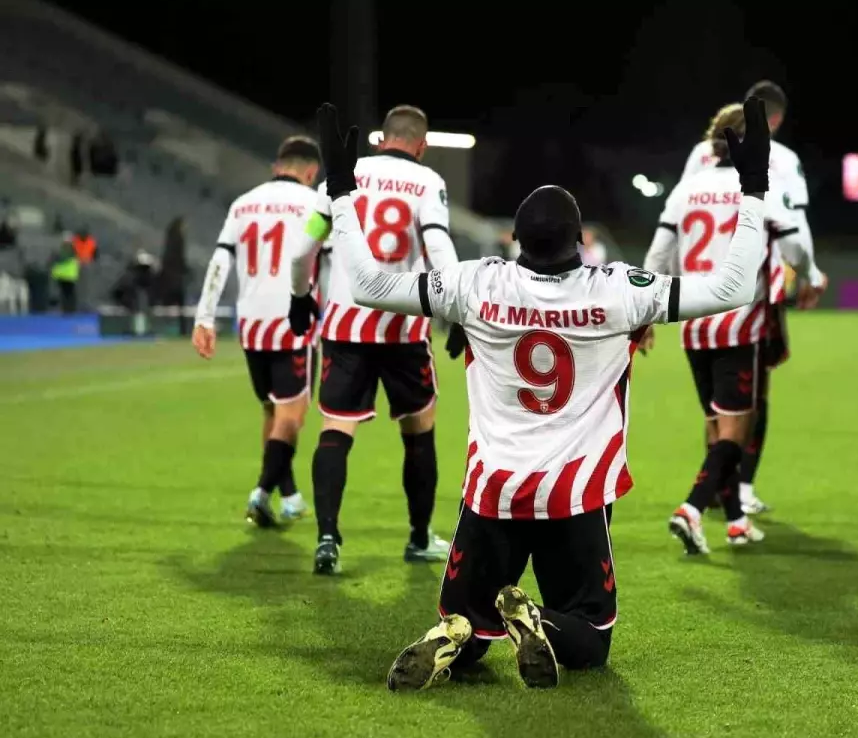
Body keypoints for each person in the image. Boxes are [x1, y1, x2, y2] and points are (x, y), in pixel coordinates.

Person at [312, 98, 772, 689]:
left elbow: (370, 283)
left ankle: (455, 633)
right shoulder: (618, 292)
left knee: (466, 623)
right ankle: (539, 621)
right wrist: (753, 189)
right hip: (573, 495)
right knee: (591, 638)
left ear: (516, 241)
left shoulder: (476, 282)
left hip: (492, 492)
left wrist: (343, 193)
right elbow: (733, 286)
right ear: (579, 241)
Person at [644, 102, 823, 553]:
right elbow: (795, 244)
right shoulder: (760, 184)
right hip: (739, 322)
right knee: (737, 429)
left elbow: (658, 254)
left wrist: (646, 315)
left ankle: (737, 521)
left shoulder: (687, 188)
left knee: (714, 424)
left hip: (692, 322)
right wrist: (810, 274)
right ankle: (692, 507)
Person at [288, 105, 460, 574]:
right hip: (403, 326)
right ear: (421, 145)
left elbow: (304, 246)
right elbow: (439, 246)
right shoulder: (427, 183)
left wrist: (299, 296)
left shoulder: (343, 174)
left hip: (344, 325)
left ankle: (327, 538)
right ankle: (420, 537)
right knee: (418, 433)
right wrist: (456, 310)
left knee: (335, 431)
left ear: (382, 139)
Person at [680, 80, 818, 515]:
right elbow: (794, 221)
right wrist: (809, 277)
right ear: (773, 119)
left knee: (714, 405)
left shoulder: (699, 157)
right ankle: (738, 490)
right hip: (755, 287)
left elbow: (679, 213)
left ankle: (720, 491)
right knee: (750, 396)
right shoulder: (781, 157)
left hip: (698, 292)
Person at [192, 136, 326, 526]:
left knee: (272, 408)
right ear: (311, 172)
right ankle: (262, 492)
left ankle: (290, 496)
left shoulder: (243, 203)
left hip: (250, 325)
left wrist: (205, 318)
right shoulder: (314, 204)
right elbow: (329, 262)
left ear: (276, 167)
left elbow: (220, 261)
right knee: (293, 415)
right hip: (293, 321)